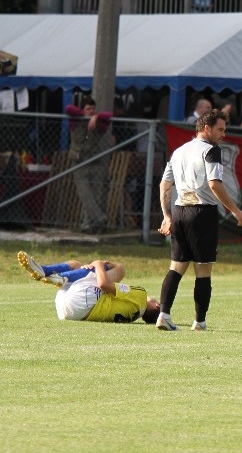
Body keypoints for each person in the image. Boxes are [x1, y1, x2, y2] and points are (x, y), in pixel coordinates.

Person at [157, 109, 242, 331]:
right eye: (220, 129)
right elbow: (214, 183)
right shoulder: (211, 150)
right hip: (202, 214)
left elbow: (164, 185)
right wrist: (235, 210)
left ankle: (164, 315)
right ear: (206, 128)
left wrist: (167, 216)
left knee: (176, 267)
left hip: (179, 212)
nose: (223, 134)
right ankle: (199, 321)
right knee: (203, 270)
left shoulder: (179, 151)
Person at [17, 251, 161, 324]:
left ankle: (54, 274)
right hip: (67, 313)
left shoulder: (141, 297)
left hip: (82, 300)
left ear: (156, 305)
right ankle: (50, 273)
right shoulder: (132, 315)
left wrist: (99, 264)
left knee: (119, 269)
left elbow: (104, 284)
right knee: (76, 265)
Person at [66, 97, 114, 234]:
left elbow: (109, 115)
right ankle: (99, 218)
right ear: (82, 109)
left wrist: (96, 117)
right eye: (88, 109)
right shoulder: (75, 121)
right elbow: (69, 108)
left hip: (95, 162)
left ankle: (89, 225)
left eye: (93, 109)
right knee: (85, 194)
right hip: (79, 162)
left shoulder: (99, 122)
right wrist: (85, 117)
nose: (91, 111)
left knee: (96, 195)